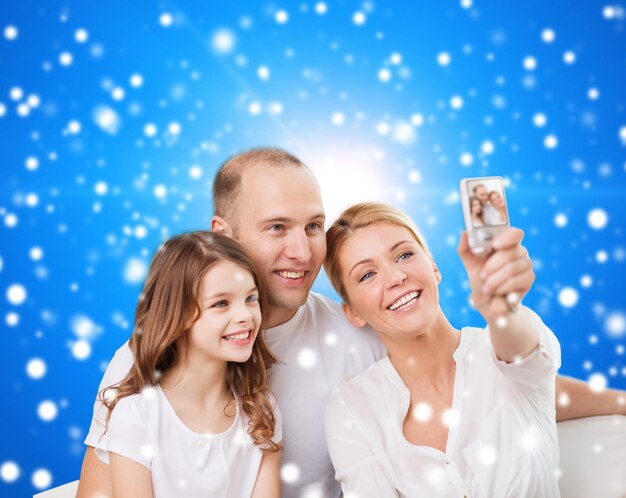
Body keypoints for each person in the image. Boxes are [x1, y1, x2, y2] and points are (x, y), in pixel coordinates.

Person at [78, 147, 626, 498]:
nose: (300, 250)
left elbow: (497, 383)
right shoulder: (150, 357)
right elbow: (101, 486)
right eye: (276, 227)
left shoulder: (358, 334)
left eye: (313, 225)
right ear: (222, 232)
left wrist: (615, 399)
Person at [324, 202, 560, 497]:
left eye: (404, 255)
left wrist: (500, 309)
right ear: (353, 313)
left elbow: (523, 352)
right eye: (367, 275)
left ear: (433, 267)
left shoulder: (501, 349)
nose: (396, 277)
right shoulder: (353, 406)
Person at [94, 232, 282, 497]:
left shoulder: (260, 410)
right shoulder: (137, 417)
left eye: (250, 299)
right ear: (178, 315)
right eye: (221, 303)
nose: (245, 316)